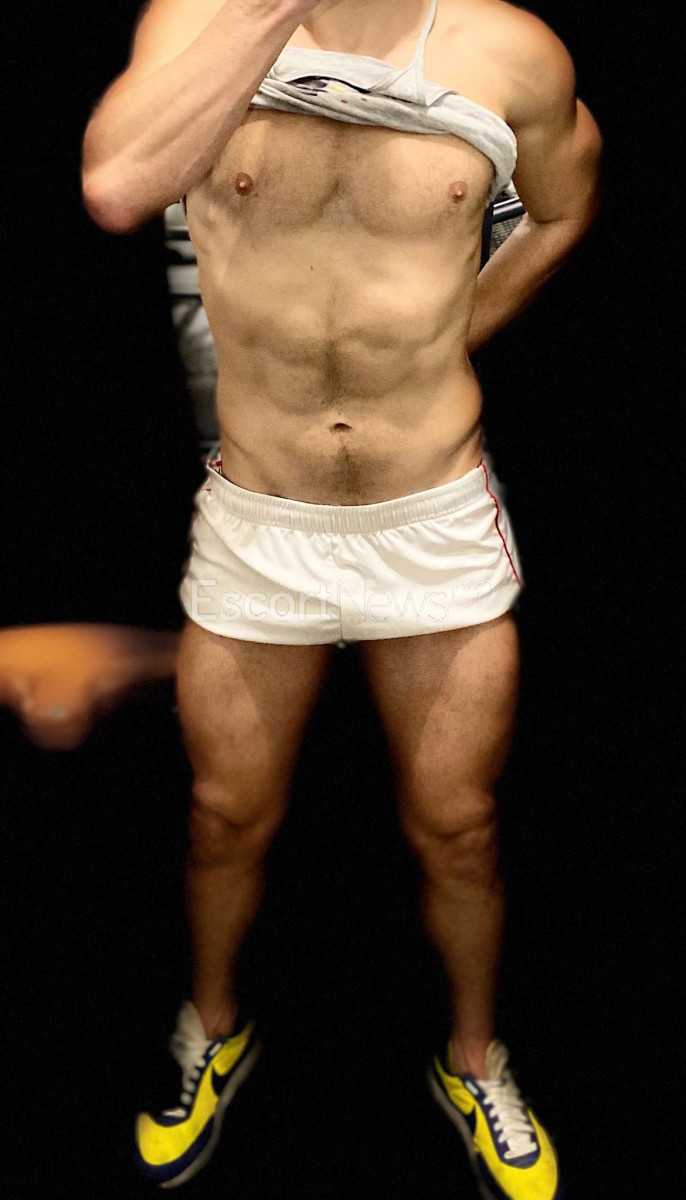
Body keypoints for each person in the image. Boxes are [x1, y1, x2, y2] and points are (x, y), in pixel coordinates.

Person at [82, 0, 602, 1195]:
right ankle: (211, 1031)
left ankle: (474, 1060)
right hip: (261, 516)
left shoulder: (507, 50)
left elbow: (565, 207)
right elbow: (116, 185)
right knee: (223, 816)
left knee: (459, 828)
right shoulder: (198, 20)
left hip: (429, 515)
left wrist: (444, 341)